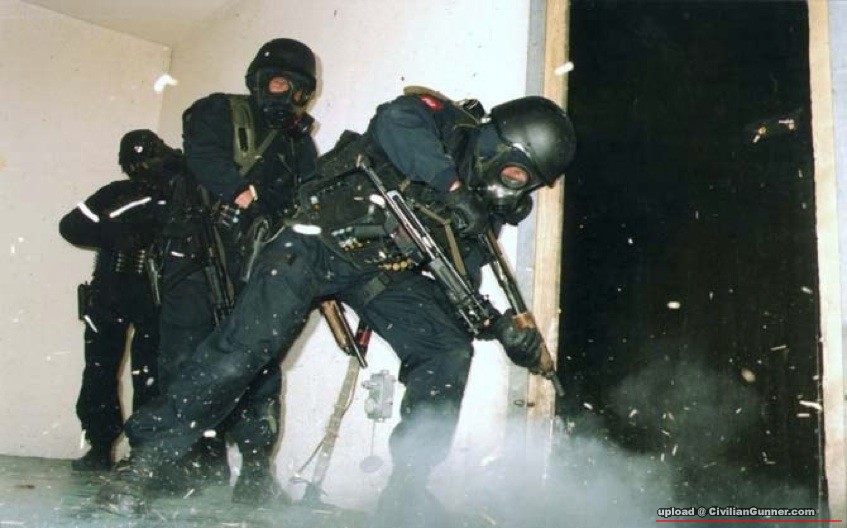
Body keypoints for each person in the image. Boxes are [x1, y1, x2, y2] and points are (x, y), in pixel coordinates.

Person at [94, 88, 576, 524]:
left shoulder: (482, 212)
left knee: (446, 348)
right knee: (245, 347)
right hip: (314, 240)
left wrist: (497, 327)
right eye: (517, 173)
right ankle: (145, 463)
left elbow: (458, 289)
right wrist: (451, 189)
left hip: (378, 273)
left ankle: (407, 493)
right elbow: (394, 122)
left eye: (529, 184)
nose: (517, 188)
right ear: (501, 145)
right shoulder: (442, 123)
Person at [150, 37, 319, 504]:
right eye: (279, 83)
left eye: (297, 90)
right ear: (259, 81)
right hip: (200, 256)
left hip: (256, 263)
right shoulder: (220, 110)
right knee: (185, 357)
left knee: (258, 363)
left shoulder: (298, 143)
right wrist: (246, 197)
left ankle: (255, 470)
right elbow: (203, 155)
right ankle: (184, 462)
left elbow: (309, 195)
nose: (287, 96)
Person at [59, 129, 179, 471]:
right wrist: (116, 235)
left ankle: (143, 453)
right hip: (111, 290)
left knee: (150, 373)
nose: (142, 167)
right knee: (99, 370)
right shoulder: (116, 193)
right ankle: (100, 447)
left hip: (154, 292)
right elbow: (70, 226)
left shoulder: (176, 196)